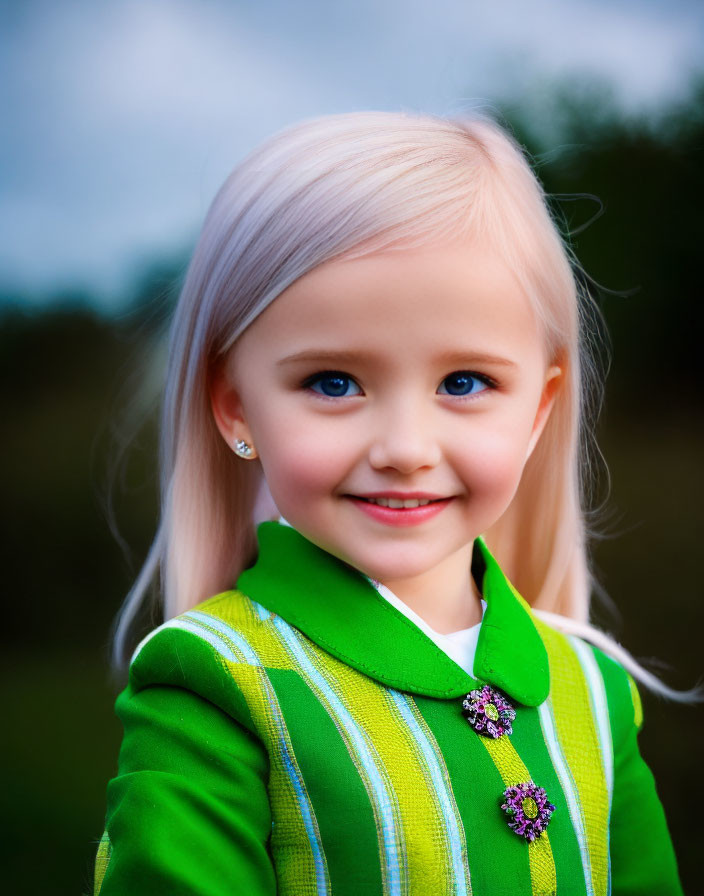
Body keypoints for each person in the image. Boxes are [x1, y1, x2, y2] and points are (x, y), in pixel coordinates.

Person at [93, 111, 687, 895]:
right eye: (333, 383)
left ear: (539, 408)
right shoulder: (219, 679)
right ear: (235, 407)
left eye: (464, 383)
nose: (406, 447)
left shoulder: (591, 687)